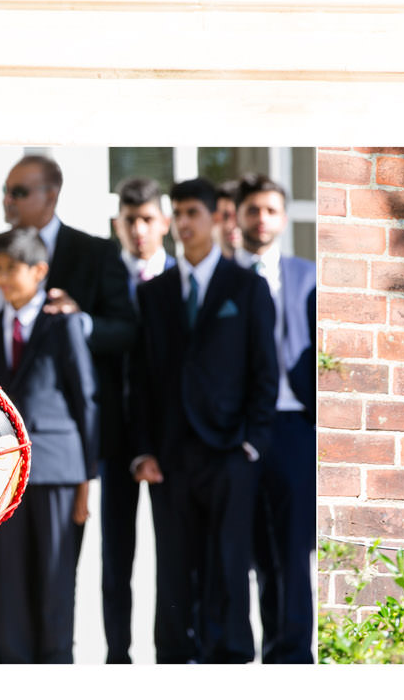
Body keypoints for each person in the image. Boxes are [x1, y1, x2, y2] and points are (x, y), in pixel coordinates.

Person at [130, 177, 277, 663]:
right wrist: (143, 450)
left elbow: (265, 370)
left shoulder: (248, 287)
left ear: (217, 218)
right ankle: (173, 662)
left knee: (229, 564)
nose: (185, 223)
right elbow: (143, 376)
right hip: (170, 456)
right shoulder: (155, 293)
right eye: (180, 213)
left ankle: (229, 659)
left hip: (231, 451)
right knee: (172, 567)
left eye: (194, 212)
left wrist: (252, 442)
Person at [0, 229, 96, 664]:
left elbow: (87, 400)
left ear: (39, 271)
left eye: (11, 269)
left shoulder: (66, 324)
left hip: (60, 472)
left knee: (56, 584)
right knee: (9, 586)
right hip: (3, 478)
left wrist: (87, 480)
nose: (1, 279)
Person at [230, 175, 317, 664]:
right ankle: (255, 658)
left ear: (282, 218)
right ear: (238, 216)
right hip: (242, 429)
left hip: (294, 425)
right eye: (252, 210)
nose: (261, 219)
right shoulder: (224, 278)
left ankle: (293, 659)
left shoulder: (308, 276)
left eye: (269, 210)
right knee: (251, 552)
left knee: (291, 552)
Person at [101, 176, 170, 663]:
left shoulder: (182, 280)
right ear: (117, 224)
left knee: (174, 553)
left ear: (163, 223)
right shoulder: (104, 277)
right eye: (131, 220)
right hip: (112, 435)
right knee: (115, 558)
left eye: (147, 219)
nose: (139, 229)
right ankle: (117, 660)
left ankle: (169, 656)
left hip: (170, 438)